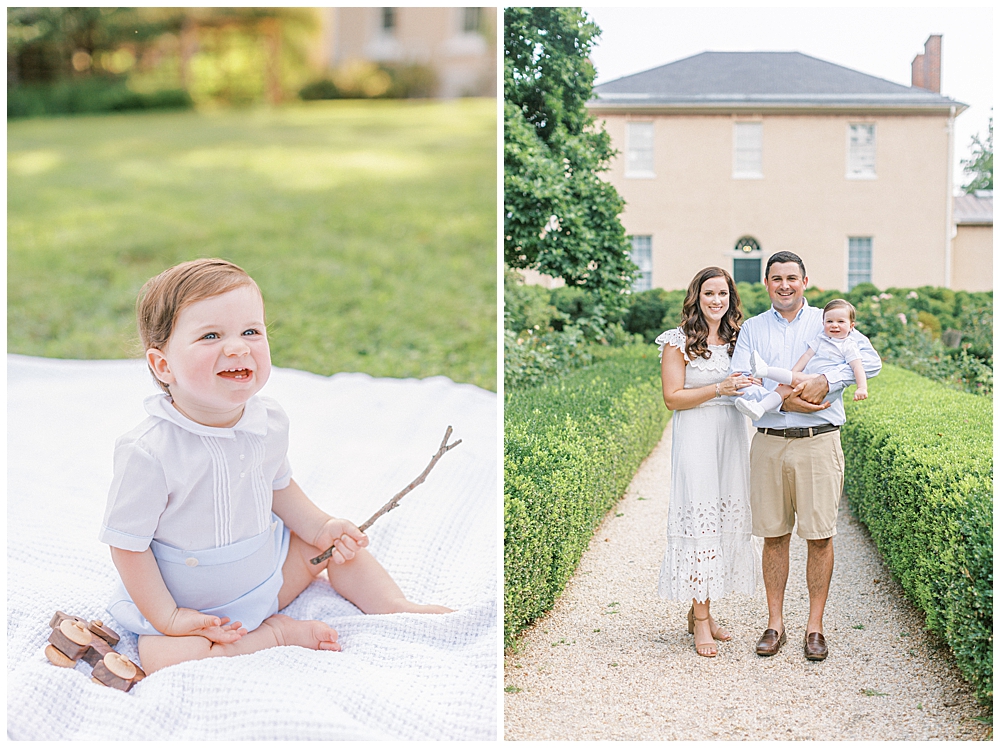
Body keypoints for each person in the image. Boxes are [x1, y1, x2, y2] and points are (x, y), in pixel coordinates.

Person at [100, 258, 451, 675]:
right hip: (193, 607)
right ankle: (276, 635)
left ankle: (393, 606)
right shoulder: (149, 452)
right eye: (211, 335)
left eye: (251, 331)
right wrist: (168, 618)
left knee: (335, 544)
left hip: (266, 576)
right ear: (164, 365)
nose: (237, 347)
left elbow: (278, 487)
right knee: (166, 659)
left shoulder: (267, 422)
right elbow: (127, 544)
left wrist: (321, 527)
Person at [730, 252, 881, 661]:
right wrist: (789, 405)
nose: (784, 285)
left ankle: (815, 627)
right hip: (769, 441)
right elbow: (742, 381)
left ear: (805, 281)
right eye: (776, 278)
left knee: (820, 536)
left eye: (791, 278)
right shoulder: (753, 329)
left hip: (819, 441)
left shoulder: (829, 320)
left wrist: (825, 379)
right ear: (766, 283)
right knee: (774, 535)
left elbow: (870, 361)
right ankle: (774, 623)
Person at [656, 266, 762, 658]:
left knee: (720, 520)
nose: (716, 301)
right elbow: (672, 397)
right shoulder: (677, 341)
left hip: (730, 435)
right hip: (697, 437)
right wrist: (718, 387)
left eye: (723, 294)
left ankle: (702, 610)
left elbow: (752, 382)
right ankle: (701, 622)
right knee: (701, 520)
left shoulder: (739, 339)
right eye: (709, 294)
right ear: (696, 298)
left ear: (731, 299)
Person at [734, 299, 871, 421]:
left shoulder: (848, 345)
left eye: (841, 322)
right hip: (806, 378)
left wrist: (861, 388)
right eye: (829, 321)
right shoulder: (822, 339)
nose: (834, 325)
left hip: (820, 382)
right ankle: (759, 408)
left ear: (851, 326)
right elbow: (806, 356)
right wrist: (791, 375)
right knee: (782, 391)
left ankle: (764, 370)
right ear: (823, 323)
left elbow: (858, 367)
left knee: (796, 380)